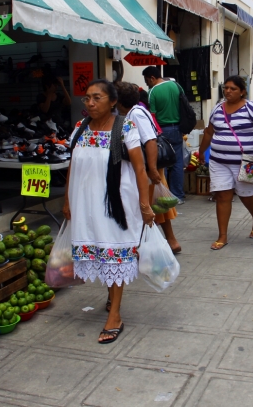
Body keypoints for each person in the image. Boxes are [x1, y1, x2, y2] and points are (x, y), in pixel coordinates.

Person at [63, 79, 155, 344]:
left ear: (113, 101)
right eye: (87, 98)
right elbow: (73, 165)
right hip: (86, 204)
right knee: (102, 252)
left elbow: (140, 169)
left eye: (97, 98)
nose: (90, 103)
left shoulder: (125, 127)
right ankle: (112, 295)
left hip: (116, 205)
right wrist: (68, 199)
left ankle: (115, 315)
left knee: (115, 254)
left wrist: (145, 205)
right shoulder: (80, 128)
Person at [198, 76, 253, 250]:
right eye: (226, 88)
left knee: (246, 195)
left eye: (233, 88)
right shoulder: (217, 109)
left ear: (242, 91)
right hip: (219, 161)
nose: (228, 91)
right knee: (222, 196)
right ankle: (223, 235)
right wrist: (201, 152)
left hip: (247, 162)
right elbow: (209, 132)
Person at [115, 82, 181, 254]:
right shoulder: (137, 110)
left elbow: (150, 141)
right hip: (147, 167)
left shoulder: (135, 114)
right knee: (158, 205)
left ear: (118, 102)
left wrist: (151, 169)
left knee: (148, 205)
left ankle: (157, 243)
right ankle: (166, 242)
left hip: (147, 167)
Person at [142, 66, 185, 203]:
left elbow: (152, 115)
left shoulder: (152, 91)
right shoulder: (176, 86)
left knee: (162, 162)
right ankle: (178, 196)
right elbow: (184, 105)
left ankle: (163, 196)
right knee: (178, 162)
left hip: (162, 130)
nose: (147, 84)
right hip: (178, 128)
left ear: (152, 78)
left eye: (147, 81)